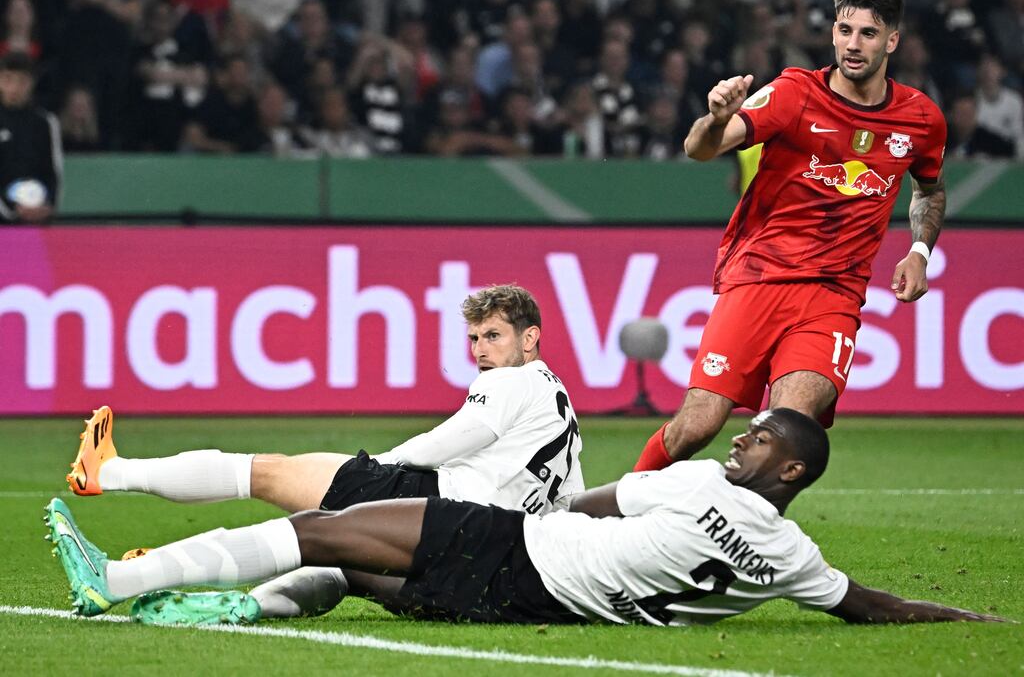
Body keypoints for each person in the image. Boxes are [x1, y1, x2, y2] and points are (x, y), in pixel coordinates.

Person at [47, 408, 1004, 627]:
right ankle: (222, 610)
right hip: (533, 609)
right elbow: (864, 604)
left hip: (524, 544)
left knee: (323, 528)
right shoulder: (793, 555)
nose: (739, 441)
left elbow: (589, 501)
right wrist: (968, 619)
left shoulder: (701, 485)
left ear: (788, 465)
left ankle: (119, 580)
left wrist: (497, 507)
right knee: (352, 572)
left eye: (757, 440)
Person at [63, 284, 582, 620]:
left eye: (493, 335)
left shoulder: (514, 381)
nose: (480, 350)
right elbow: (569, 506)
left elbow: (446, 442)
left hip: (431, 502)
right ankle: (244, 606)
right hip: (478, 564)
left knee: (266, 473)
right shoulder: (564, 413)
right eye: (474, 338)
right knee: (340, 568)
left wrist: (380, 467)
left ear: (529, 338)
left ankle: (110, 472)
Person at [633, 0, 948, 472]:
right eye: (845, 30)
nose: (853, 44)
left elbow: (929, 191)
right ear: (833, 32)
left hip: (834, 294)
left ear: (892, 41)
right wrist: (715, 117)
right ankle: (621, 510)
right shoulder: (794, 92)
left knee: (785, 429)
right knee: (697, 426)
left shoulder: (921, 119)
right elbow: (700, 149)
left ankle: (740, 538)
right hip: (760, 276)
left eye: (868, 33)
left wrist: (919, 251)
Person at [0, 52, 62, 224]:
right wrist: (11, 210)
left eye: (21, 81)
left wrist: (48, 206)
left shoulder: (45, 122)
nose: (14, 88)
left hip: (37, 217)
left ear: (31, 83)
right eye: (7, 79)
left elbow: (54, 171)